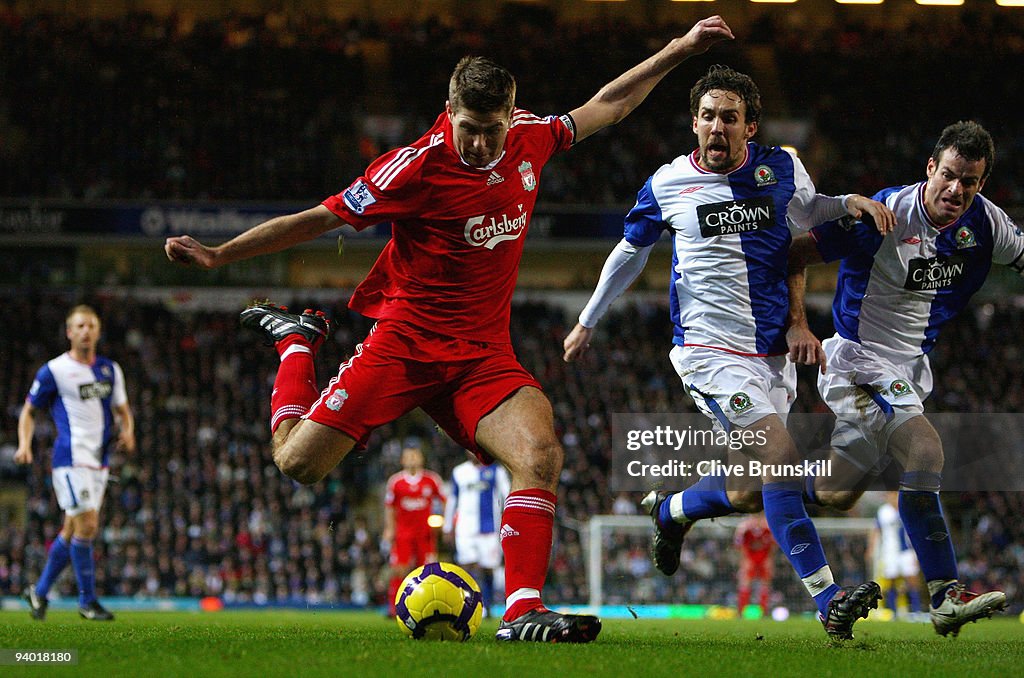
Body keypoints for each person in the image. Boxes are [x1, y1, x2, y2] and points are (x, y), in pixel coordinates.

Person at [164, 15, 737, 643]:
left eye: (493, 131)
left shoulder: (531, 138)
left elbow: (611, 103)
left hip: (481, 356)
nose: (482, 146)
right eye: (469, 130)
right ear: (449, 110)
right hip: (404, 345)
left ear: (511, 114)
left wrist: (681, 48)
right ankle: (297, 343)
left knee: (540, 453)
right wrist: (221, 256)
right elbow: (317, 219)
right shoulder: (411, 168)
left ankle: (522, 612)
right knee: (298, 463)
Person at [562, 64, 896, 640]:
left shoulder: (781, 168)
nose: (718, 126)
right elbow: (630, 252)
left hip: (772, 359)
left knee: (747, 491)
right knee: (781, 456)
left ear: (751, 126)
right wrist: (589, 319)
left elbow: (813, 212)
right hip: (708, 355)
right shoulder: (667, 183)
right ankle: (829, 599)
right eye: (709, 116)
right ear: (694, 123)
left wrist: (852, 203)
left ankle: (670, 511)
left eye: (730, 118)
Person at [787, 120, 1014, 637]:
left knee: (835, 492)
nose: (957, 190)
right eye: (950, 176)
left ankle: (689, 504)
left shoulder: (987, 225)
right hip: (858, 361)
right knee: (926, 451)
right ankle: (945, 595)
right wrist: (799, 324)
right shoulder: (882, 217)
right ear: (930, 168)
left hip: (910, 372)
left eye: (971, 182)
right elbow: (794, 252)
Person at [15, 305, 135, 621]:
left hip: (100, 461)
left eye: (91, 326)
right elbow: (28, 411)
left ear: (98, 331)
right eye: (79, 326)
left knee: (71, 530)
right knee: (88, 525)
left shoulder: (110, 370)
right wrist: (24, 444)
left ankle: (38, 593)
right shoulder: (54, 370)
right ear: (69, 332)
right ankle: (87, 601)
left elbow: (122, 409)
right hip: (70, 459)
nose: (85, 331)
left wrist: (129, 432)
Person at [443, 453, 512, 617]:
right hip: (464, 529)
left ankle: (487, 605)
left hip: (489, 528)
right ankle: (470, 605)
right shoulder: (459, 471)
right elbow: (453, 500)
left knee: (488, 568)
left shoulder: (497, 471)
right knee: (467, 566)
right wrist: (447, 527)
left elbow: (507, 495)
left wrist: (508, 522)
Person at [383, 442, 445, 617]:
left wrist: (442, 523)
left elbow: (442, 501)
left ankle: (428, 607)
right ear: (402, 460)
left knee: (427, 571)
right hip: (403, 533)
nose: (412, 459)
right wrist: (389, 529)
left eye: (415, 455)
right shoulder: (396, 482)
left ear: (421, 458)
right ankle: (394, 607)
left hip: (425, 534)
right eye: (408, 456)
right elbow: (389, 507)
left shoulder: (432, 480)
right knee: (399, 569)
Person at [867, 492, 921, 619]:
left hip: (907, 551)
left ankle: (916, 611)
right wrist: (871, 548)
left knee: (912, 580)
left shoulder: (907, 510)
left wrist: (918, 551)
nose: (893, 498)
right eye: (891, 496)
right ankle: (894, 612)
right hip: (889, 551)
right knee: (891, 580)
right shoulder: (883, 512)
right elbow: (876, 529)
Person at [735, 513, 775, 618]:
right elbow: (739, 543)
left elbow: (774, 544)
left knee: (765, 583)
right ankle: (741, 611)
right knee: (745, 582)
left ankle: (763, 611)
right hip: (750, 557)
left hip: (764, 557)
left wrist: (769, 559)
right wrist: (744, 559)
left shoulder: (768, 527)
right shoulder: (744, 528)